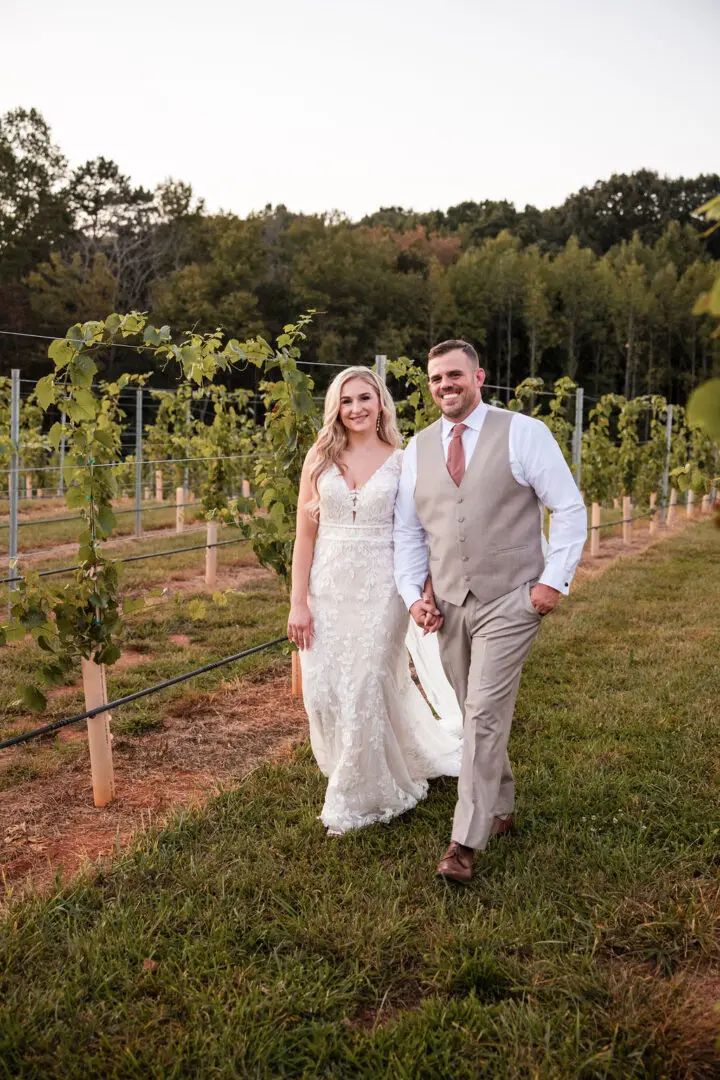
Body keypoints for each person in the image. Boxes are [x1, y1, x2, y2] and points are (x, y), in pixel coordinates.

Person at [394, 340, 587, 883]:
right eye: (435, 379)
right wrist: (415, 595)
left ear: (479, 376)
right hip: (450, 604)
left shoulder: (523, 433)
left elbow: (568, 508)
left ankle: (464, 842)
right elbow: (410, 532)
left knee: (480, 712)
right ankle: (500, 805)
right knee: (470, 706)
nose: (444, 386)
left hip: (511, 597)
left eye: (454, 375)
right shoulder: (417, 449)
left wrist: (551, 583)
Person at [287, 367, 462, 836]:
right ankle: (375, 757)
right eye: (346, 401)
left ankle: (359, 795)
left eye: (365, 398)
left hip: (382, 587)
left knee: (366, 680)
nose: (357, 408)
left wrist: (422, 587)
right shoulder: (319, 458)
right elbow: (305, 536)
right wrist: (297, 602)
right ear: (335, 408)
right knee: (327, 689)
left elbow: (418, 532)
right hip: (327, 585)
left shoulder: (403, 461)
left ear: (381, 402)